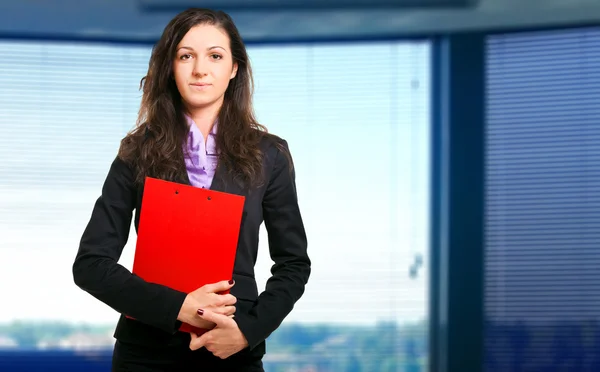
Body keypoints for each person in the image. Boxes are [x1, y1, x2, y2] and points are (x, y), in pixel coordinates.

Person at [72, 7, 311, 371]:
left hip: (231, 347)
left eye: (215, 56)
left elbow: (293, 264)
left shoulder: (270, 155)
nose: (200, 69)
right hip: (146, 352)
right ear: (170, 66)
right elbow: (90, 265)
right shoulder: (137, 151)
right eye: (186, 56)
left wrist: (248, 331)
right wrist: (181, 308)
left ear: (233, 69)